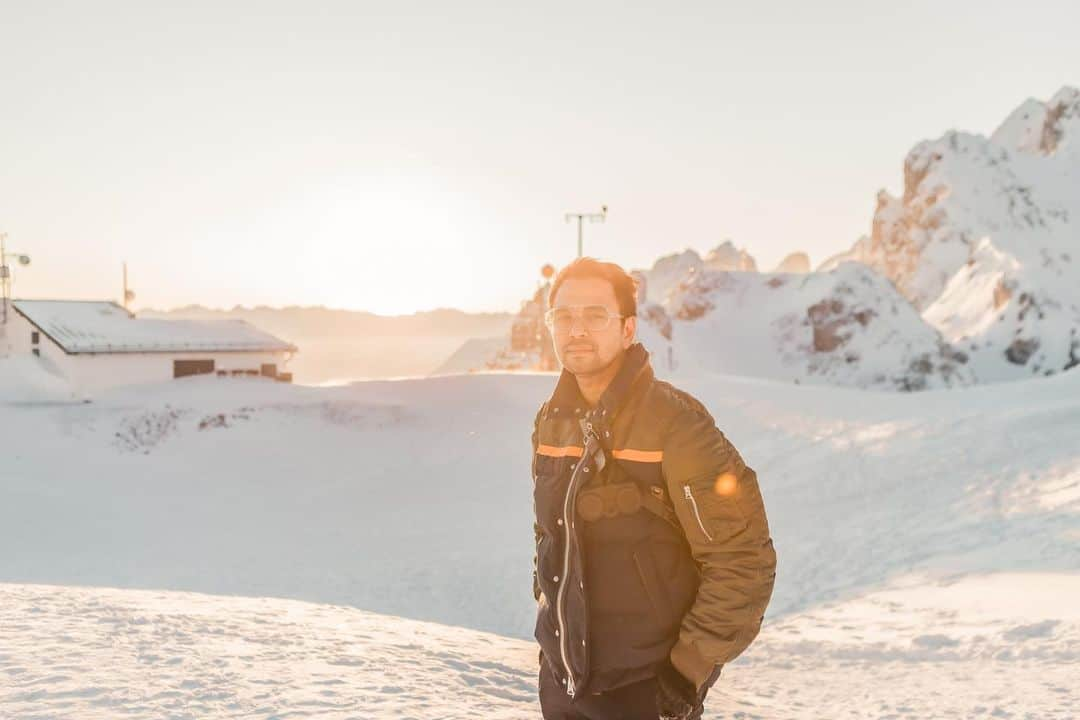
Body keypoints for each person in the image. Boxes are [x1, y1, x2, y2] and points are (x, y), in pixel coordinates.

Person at [531, 257, 777, 720]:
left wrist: (686, 672)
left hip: (648, 687)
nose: (576, 329)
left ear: (627, 330)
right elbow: (549, 532)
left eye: (595, 315)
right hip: (563, 683)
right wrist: (550, 621)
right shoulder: (551, 421)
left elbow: (742, 559)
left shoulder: (676, 425)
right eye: (563, 316)